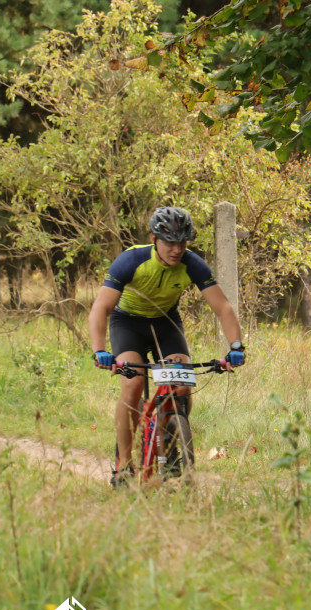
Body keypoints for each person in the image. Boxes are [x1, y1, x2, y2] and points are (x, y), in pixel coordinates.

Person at [89, 206, 245, 488]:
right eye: (170, 242)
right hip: (128, 324)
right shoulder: (131, 260)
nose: (176, 249)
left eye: (182, 243)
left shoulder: (193, 264)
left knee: (182, 384)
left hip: (164, 323)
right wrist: (100, 349)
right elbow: (101, 308)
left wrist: (236, 346)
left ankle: (169, 440)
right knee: (133, 384)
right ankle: (123, 465)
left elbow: (223, 308)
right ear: (154, 239)